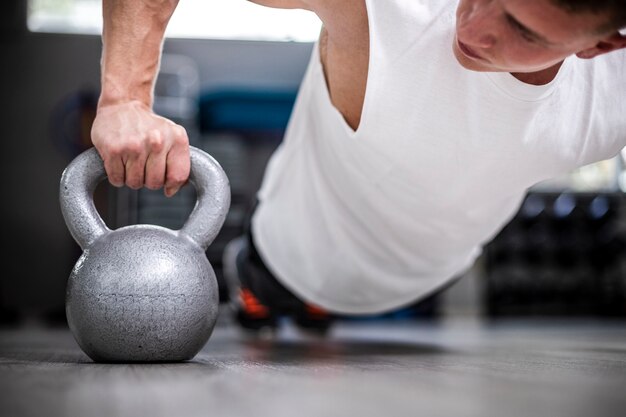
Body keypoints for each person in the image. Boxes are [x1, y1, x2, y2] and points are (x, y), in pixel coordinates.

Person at [91, 0, 626, 333]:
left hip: (430, 273)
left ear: (602, 44)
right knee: (270, 288)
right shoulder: (384, 7)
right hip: (289, 255)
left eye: (523, 30)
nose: (474, 25)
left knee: (320, 309)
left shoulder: (612, 94)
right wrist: (125, 100)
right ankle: (258, 290)